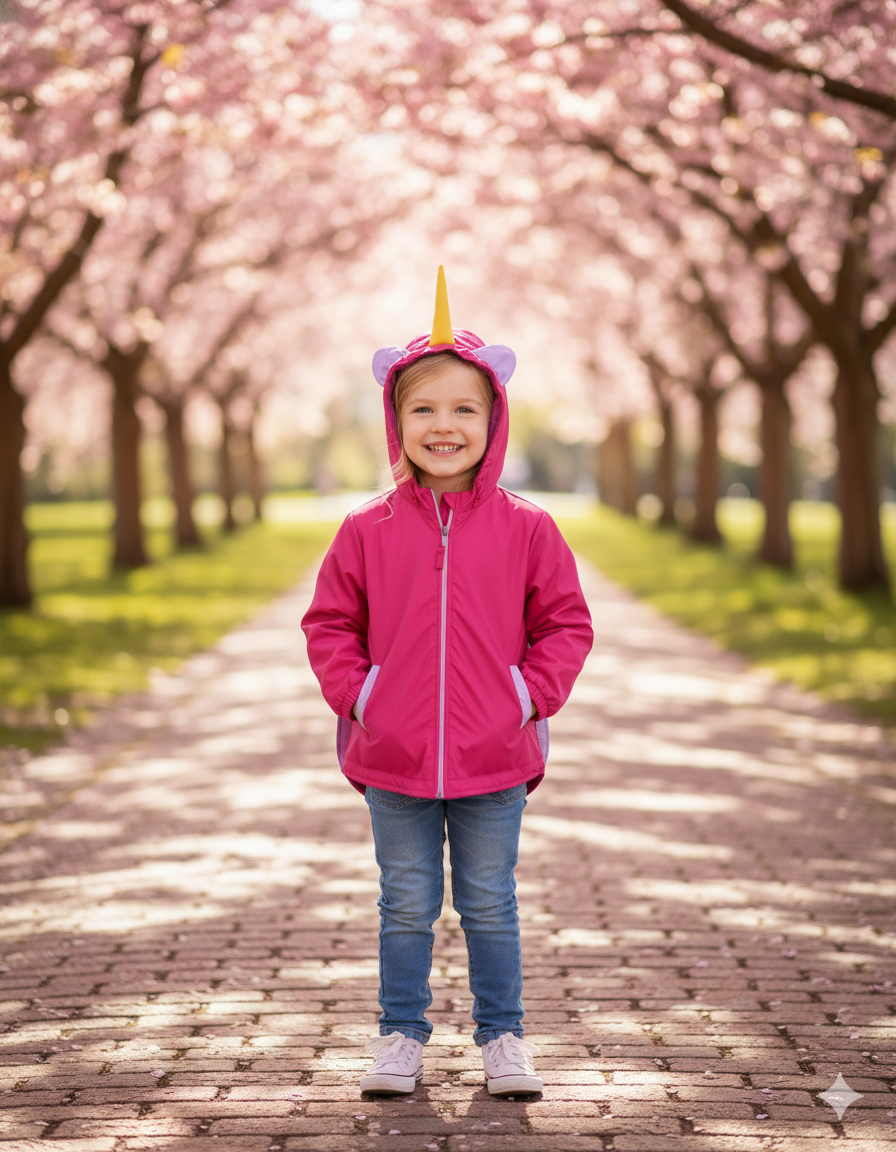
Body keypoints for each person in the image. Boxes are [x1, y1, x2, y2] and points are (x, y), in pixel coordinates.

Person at [301, 267, 593, 1097]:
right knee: (405, 905)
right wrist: (364, 700)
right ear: (397, 423)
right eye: (423, 409)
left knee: (491, 903)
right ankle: (400, 1034)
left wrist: (525, 697)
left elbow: (565, 624)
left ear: (493, 421)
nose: (444, 425)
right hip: (392, 757)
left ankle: (504, 1037)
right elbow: (329, 625)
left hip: (495, 754)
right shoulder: (366, 528)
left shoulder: (528, 528)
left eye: (464, 409)